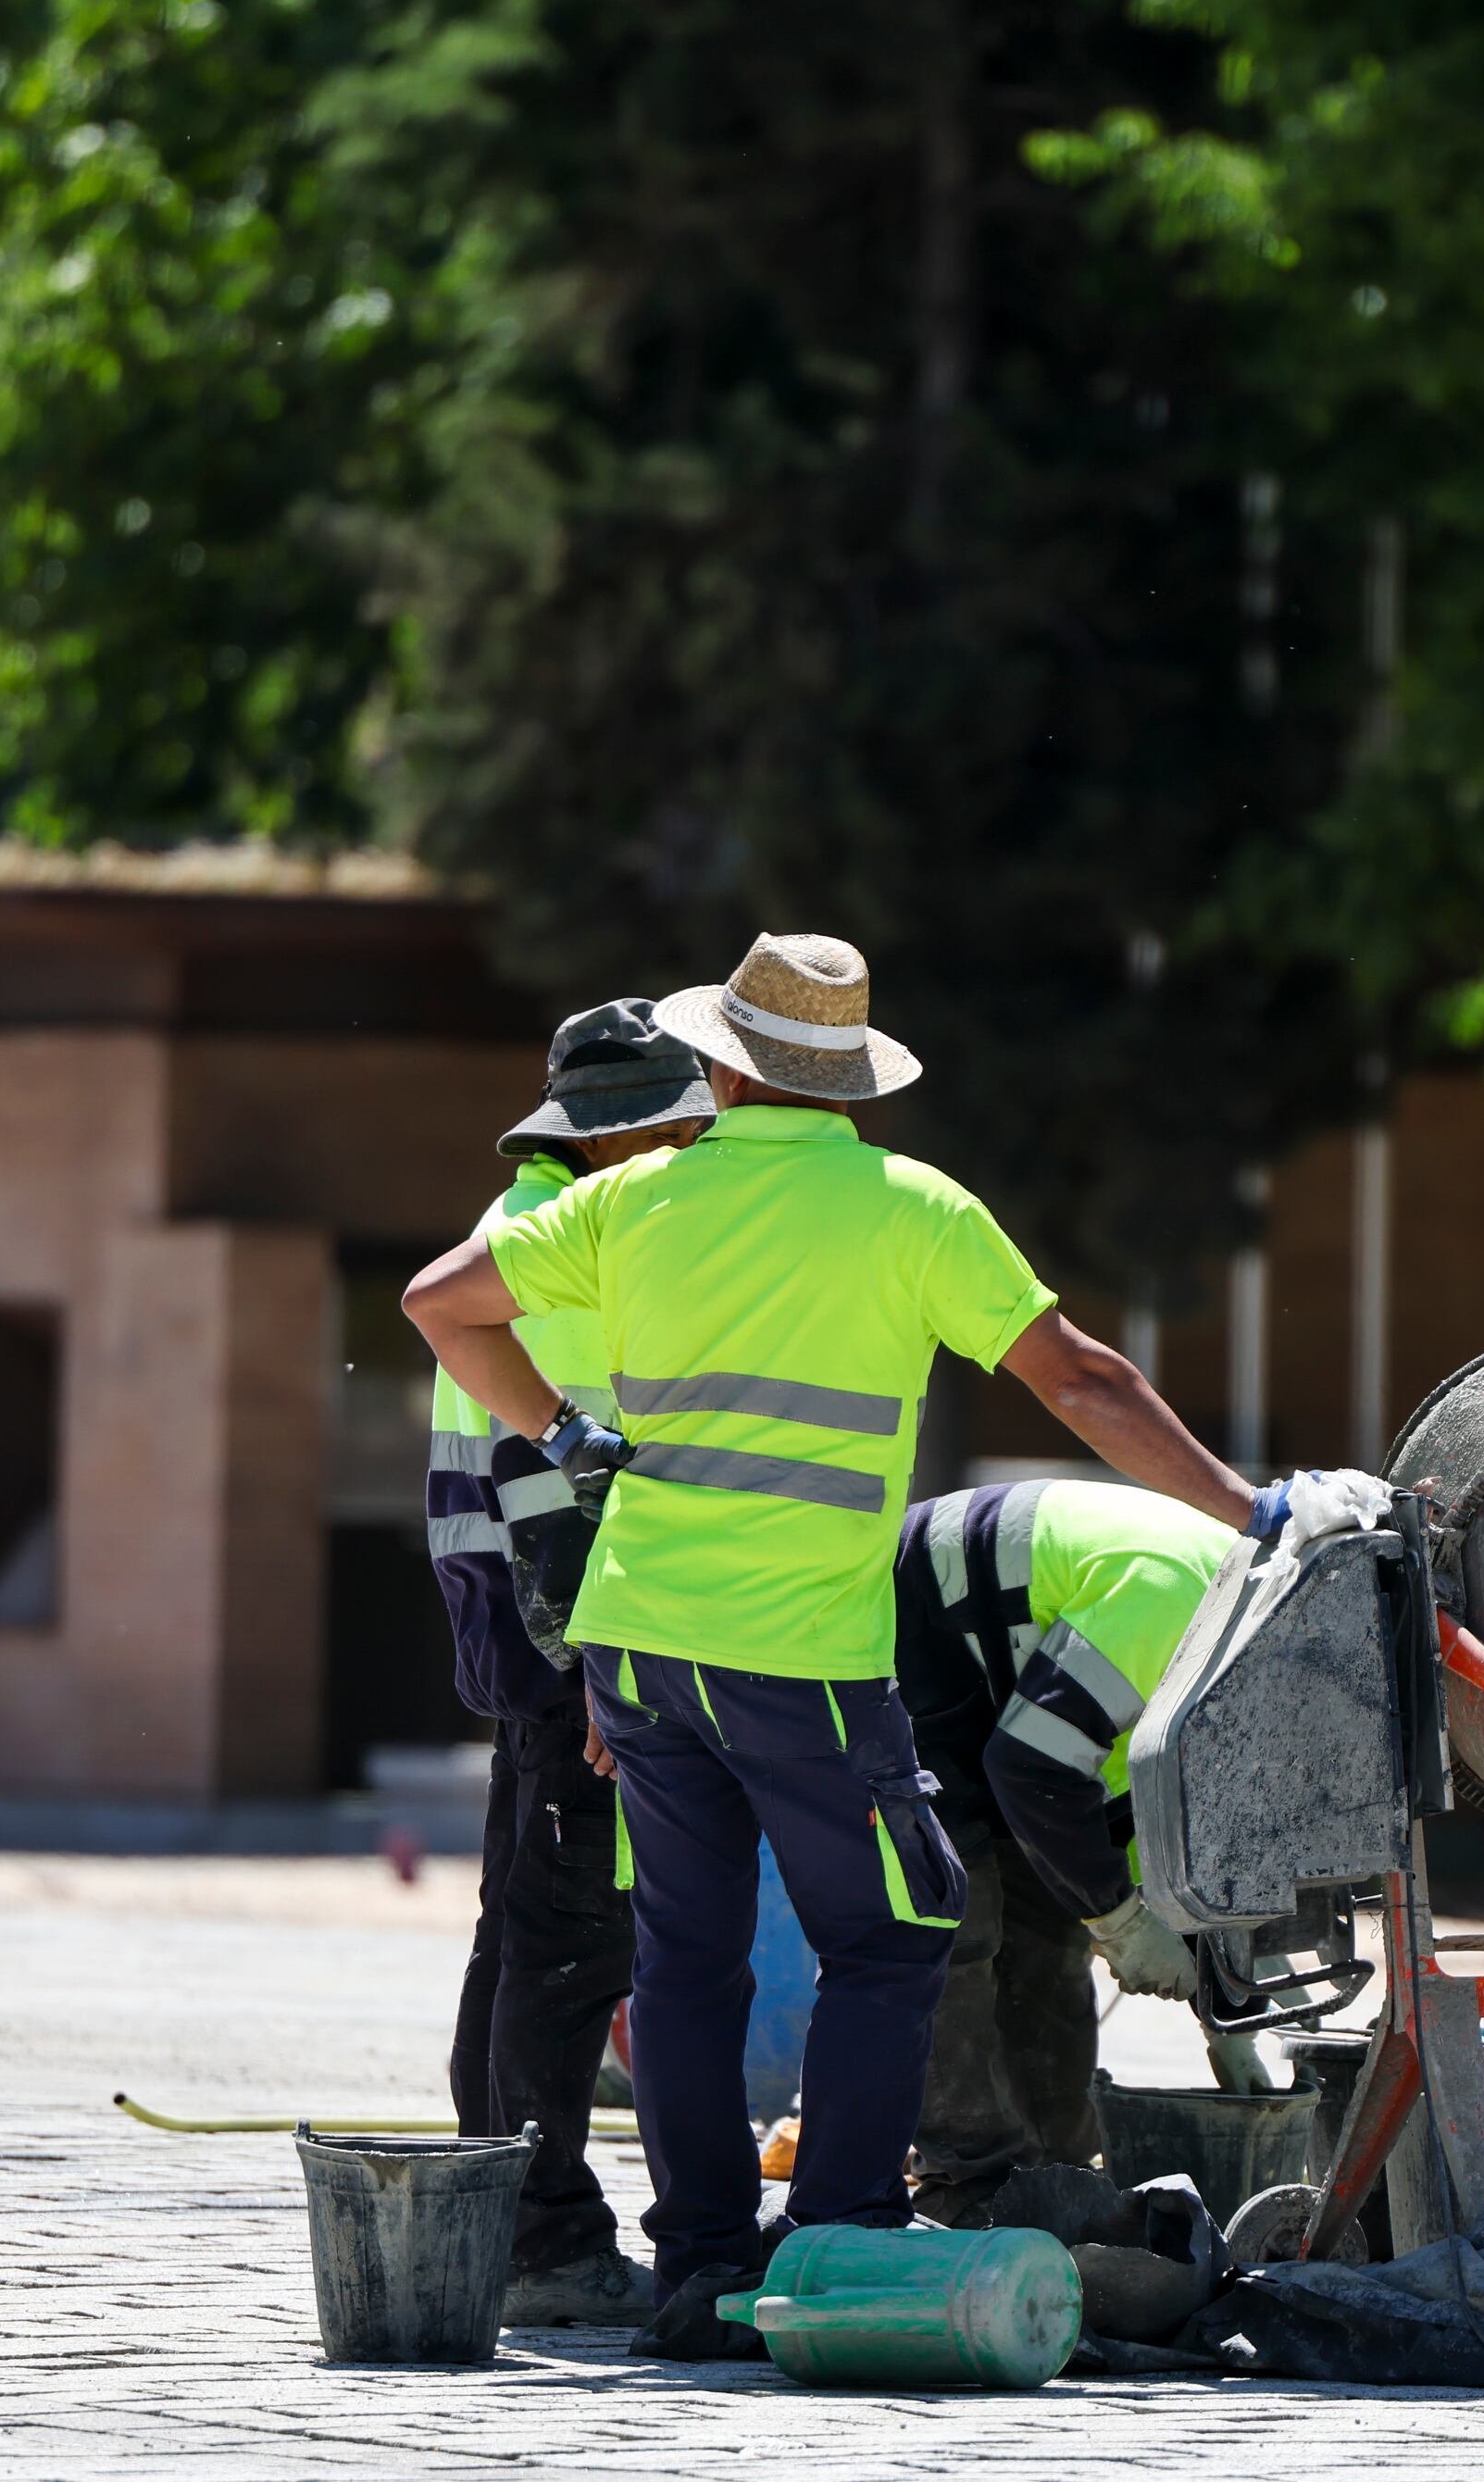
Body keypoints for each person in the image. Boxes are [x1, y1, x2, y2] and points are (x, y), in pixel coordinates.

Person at [402, 931, 1253, 2353]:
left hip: (640, 1647)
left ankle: (698, 2268)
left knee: (684, 1950)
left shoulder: (634, 1200)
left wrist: (557, 1423)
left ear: (722, 1062)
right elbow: (1083, 1379)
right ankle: (839, 2237)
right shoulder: (911, 1207)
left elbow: (440, 1303)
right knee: (891, 1929)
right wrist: (1247, 1506)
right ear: (846, 1076)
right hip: (800, 1649)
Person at [427, 1000, 714, 2327]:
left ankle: (497, 2213)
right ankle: (543, 2238)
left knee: (519, 1927)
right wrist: (602, 1656)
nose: (697, 1149)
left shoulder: (525, 1213)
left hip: (521, 1632)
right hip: (569, 1634)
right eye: (682, 1126)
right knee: (570, 1941)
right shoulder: (567, 1245)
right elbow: (552, 1475)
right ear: (627, 1135)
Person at [890, 1475, 1236, 2223]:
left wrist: (1208, 1963)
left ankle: (1055, 2170)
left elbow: (1109, 1780)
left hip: (1008, 1659)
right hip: (910, 1621)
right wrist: (1120, 1921)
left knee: (1050, 1919)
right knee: (955, 1916)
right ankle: (970, 2182)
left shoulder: (1241, 1638)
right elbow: (1035, 1765)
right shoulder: (1179, 1602)